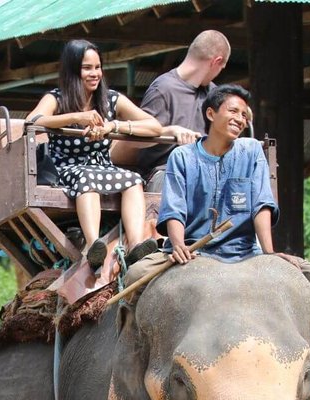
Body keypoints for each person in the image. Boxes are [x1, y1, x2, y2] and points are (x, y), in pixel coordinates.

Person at [28, 40, 196, 271]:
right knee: (88, 179)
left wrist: (113, 126)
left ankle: (136, 245)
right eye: (87, 68)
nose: (95, 73)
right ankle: (93, 244)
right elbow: (33, 120)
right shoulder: (56, 98)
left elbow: (154, 126)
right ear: (73, 70)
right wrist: (76, 118)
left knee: (134, 180)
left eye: (98, 67)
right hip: (68, 168)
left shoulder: (111, 99)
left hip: (103, 165)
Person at [157, 84, 310, 294]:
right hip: (195, 249)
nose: (240, 119)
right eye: (233, 111)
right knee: (136, 274)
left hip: (244, 252)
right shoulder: (182, 156)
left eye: (244, 115)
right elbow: (174, 209)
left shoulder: (252, 150)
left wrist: (269, 252)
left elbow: (261, 204)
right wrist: (178, 246)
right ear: (211, 113)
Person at [111, 30, 230, 180]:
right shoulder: (163, 89)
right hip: (165, 172)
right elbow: (133, 140)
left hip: (206, 172)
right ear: (216, 62)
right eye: (221, 68)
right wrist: (171, 131)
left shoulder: (213, 93)